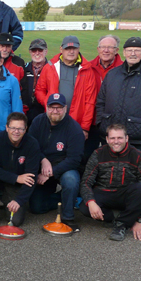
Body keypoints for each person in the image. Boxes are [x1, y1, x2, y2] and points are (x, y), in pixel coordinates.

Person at [80, 124, 141, 241]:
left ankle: (122, 225)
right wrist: (91, 202)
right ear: (107, 139)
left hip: (126, 194)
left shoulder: (138, 156)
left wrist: (140, 220)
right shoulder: (98, 154)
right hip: (104, 192)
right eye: (112, 138)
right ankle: (118, 217)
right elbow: (85, 182)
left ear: (126, 138)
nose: (116, 141)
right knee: (85, 208)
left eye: (120, 138)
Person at [96, 37, 141, 154]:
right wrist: (102, 123)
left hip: (137, 138)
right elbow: (101, 101)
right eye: (129, 50)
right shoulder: (113, 74)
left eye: (137, 50)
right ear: (124, 52)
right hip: (111, 135)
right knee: (108, 170)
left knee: (133, 171)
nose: (133, 54)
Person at [27, 93, 84, 231]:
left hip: (64, 166)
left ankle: (68, 217)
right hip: (42, 166)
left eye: (59, 108)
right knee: (36, 207)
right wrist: (43, 160)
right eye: (52, 107)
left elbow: (74, 159)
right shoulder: (38, 121)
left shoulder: (74, 129)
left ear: (65, 109)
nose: (55, 111)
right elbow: (30, 146)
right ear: (46, 108)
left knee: (71, 180)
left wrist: (51, 172)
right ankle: (68, 199)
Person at [0, 112, 41, 229]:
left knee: (16, 221)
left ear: (25, 129)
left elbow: (31, 177)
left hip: (16, 186)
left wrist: (19, 201)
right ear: (7, 128)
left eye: (20, 128)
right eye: (13, 128)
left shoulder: (32, 144)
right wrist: (16, 178)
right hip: (0, 180)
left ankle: (6, 200)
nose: (16, 131)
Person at [35, 36, 95, 132]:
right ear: (61, 49)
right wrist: (48, 103)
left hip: (76, 122)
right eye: (68, 48)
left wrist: (85, 127)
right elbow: (39, 90)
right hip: (53, 119)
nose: (71, 52)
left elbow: (90, 101)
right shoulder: (50, 67)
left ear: (78, 49)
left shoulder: (87, 70)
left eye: (74, 48)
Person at [77, 35, 123, 159]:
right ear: (98, 49)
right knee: (86, 156)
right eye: (103, 47)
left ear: (116, 50)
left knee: (112, 157)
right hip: (91, 121)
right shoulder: (88, 67)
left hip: (112, 123)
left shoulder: (123, 69)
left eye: (110, 47)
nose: (106, 50)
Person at [22, 38, 52, 123]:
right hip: (26, 113)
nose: (37, 53)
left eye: (40, 50)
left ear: (46, 51)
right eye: (34, 50)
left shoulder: (52, 69)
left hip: (44, 112)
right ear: (30, 52)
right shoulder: (24, 68)